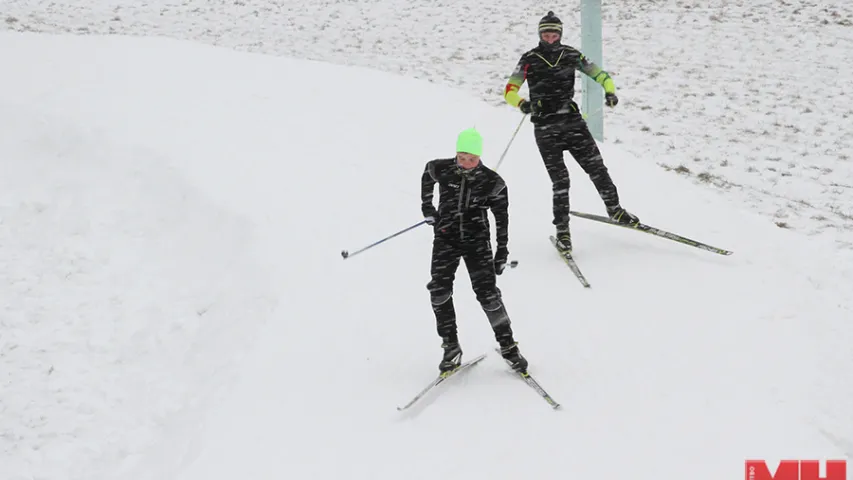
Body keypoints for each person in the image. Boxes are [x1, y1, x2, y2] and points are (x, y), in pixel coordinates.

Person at [503, 10, 640, 254]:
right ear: (540, 35)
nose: (550, 38)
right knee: (561, 181)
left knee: (597, 169)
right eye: (546, 34)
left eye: (554, 34)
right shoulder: (529, 58)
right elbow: (509, 91)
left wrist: (610, 91)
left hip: (573, 123)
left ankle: (615, 210)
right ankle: (563, 232)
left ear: (560, 34)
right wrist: (522, 103)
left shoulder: (571, 55)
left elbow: (601, 75)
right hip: (545, 128)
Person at [420, 127, 528, 375]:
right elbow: (427, 173)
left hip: (477, 241)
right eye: (462, 157)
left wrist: (502, 251)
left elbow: (502, 219)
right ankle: (451, 347)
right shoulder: (443, 168)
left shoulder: (493, 182)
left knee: (487, 295)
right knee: (439, 291)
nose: (466, 163)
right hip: (446, 238)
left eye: (472, 159)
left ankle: (509, 347)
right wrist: (427, 207)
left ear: (480, 157)